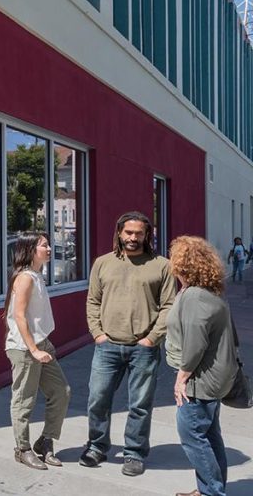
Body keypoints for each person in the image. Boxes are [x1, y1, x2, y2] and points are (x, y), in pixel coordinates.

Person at [80, 211, 176, 476]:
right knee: (98, 399)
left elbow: (169, 305)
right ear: (119, 233)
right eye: (128, 233)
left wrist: (151, 339)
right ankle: (97, 446)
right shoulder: (102, 263)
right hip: (107, 345)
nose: (133, 238)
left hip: (143, 348)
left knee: (140, 405)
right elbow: (93, 301)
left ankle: (134, 453)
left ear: (147, 235)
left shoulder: (162, 265)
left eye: (138, 233)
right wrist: (97, 333)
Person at [166, 236, 238, 496]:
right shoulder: (204, 292)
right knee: (209, 434)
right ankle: (207, 488)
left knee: (192, 435)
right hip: (209, 375)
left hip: (199, 378)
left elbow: (195, 343)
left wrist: (181, 378)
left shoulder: (196, 296)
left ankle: (212, 492)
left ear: (182, 264)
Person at [2, 233, 71, 471]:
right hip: (24, 348)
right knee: (24, 400)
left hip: (42, 343)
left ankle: (44, 442)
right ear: (31, 250)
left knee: (61, 392)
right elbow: (19, 316)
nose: (50, 248)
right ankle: (22, 449)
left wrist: (41, 346)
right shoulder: (25, 278)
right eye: (44, 245)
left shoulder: (37, 276)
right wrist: (33, 349)